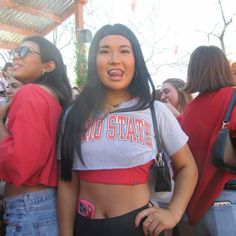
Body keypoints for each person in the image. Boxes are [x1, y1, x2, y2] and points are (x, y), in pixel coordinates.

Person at [57, 23, 198, 236]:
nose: (115, 59)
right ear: (94, 60)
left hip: (139, 227)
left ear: (136, 61)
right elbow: (67, 183)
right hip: (85, 226)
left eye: (124, 51)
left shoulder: (155, 111)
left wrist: (173, 213)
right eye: (104, 51)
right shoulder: (74, 115)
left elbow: (188, 167)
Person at [0, 35, 72, 235]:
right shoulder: (53, 99)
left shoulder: (30, 93)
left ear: (48, 66)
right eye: (15, 51)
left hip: (28, 209)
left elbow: (19, 164)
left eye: (24, 52)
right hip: (41, 207)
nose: (16, 57)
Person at [180, 45, 236, 235]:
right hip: (229, 198)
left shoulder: (190, 109)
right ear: (222, 67)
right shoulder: (232, 97)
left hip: (200, 205)